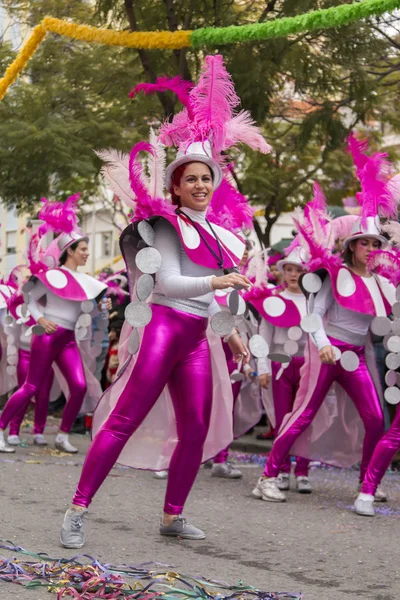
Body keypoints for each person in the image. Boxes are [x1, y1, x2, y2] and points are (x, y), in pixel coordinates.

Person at [59, 54, 271, 549]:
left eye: (206, 179)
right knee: (124, 419)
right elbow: (171, 283)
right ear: (175, 185)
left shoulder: (222, 236)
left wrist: (233, 331)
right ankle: (77, 509)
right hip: (163, 329)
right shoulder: (165, 227)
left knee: (195, 429)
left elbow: (212, 297)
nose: (200, 185)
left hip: (198, 338)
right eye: (190, 179)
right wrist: (218, 285)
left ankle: (173, 516)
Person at [252, 141, 396, 503]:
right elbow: (313, 317)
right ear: (351, 246)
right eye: (363, 243)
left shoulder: (381, 281)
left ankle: (368, 483)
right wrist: (325, 345)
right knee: (302, 415)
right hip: (326, 352)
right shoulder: (335, 276)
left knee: (375, 419)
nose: (370, 248)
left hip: (355, 358)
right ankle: (268, 477)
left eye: (374, 243)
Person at [0, 208, 107, 454]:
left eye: (87, 250)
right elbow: (30, 299)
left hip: (67, 339)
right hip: (47, 337)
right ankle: (1, 428)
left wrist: (101, 307)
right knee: (31, 386)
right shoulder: (50, 276)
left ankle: (62, 435)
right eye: (82, 249)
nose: (87, 253)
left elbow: (85, 312)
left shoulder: (86, 281)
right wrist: (40, 319)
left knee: (79, 387)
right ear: (69, 251)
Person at [256, 249, 312, 494]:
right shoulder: (273, 299)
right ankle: (280, 470)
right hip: (280, 365)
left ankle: (303, 471)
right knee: (282, 419)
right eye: (289, 269)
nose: (293, 274)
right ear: (282, 272)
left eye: (298, 270)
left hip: (307, 365)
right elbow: (263, 336)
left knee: (304, 420)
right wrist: (263, 368)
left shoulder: (314, 301)